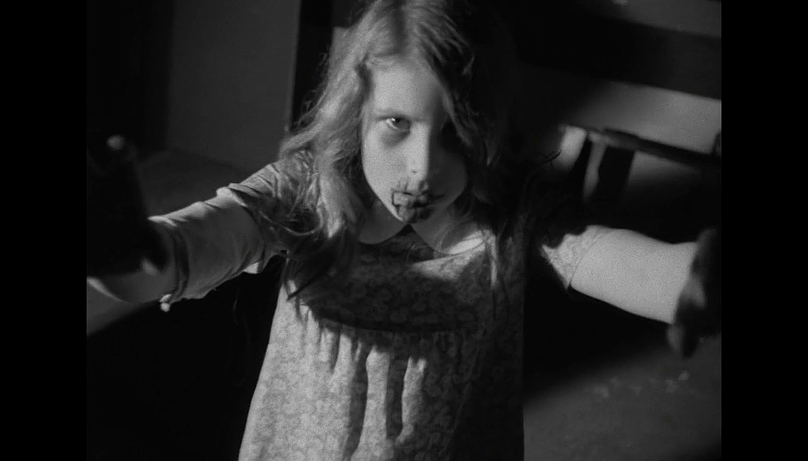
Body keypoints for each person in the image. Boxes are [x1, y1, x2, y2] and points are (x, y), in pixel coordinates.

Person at [86, 0, 721, 459]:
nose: (424, 169)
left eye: (457, 132)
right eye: (396, 123)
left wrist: (693, 278)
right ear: (355, 110)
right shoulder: (306, 191)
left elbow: (621, 262)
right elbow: (174, 259)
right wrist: (122, 251)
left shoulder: (512, 214)